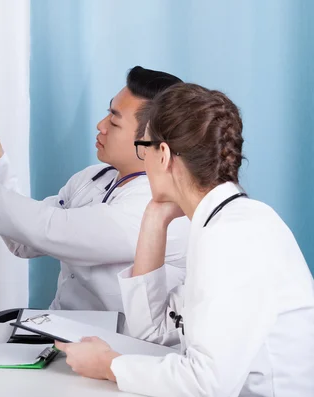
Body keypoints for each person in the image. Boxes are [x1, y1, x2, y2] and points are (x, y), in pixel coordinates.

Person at [54, 83, 314, 396]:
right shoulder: (225, 222)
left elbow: (208, 384)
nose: (143, 160)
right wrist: (154, 219)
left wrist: (109, 365)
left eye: (143, 148)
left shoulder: (235, 235)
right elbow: (152, 330)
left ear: (162, 154)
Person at [0, 66, 190, 312]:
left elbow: (52, 230)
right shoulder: (93, 178)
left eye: (115, 121)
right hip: (63, 335)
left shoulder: (160, 205)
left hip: (123, 348)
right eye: (108, 113)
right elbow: (25, 239)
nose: (101, 125)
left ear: (153, 141)